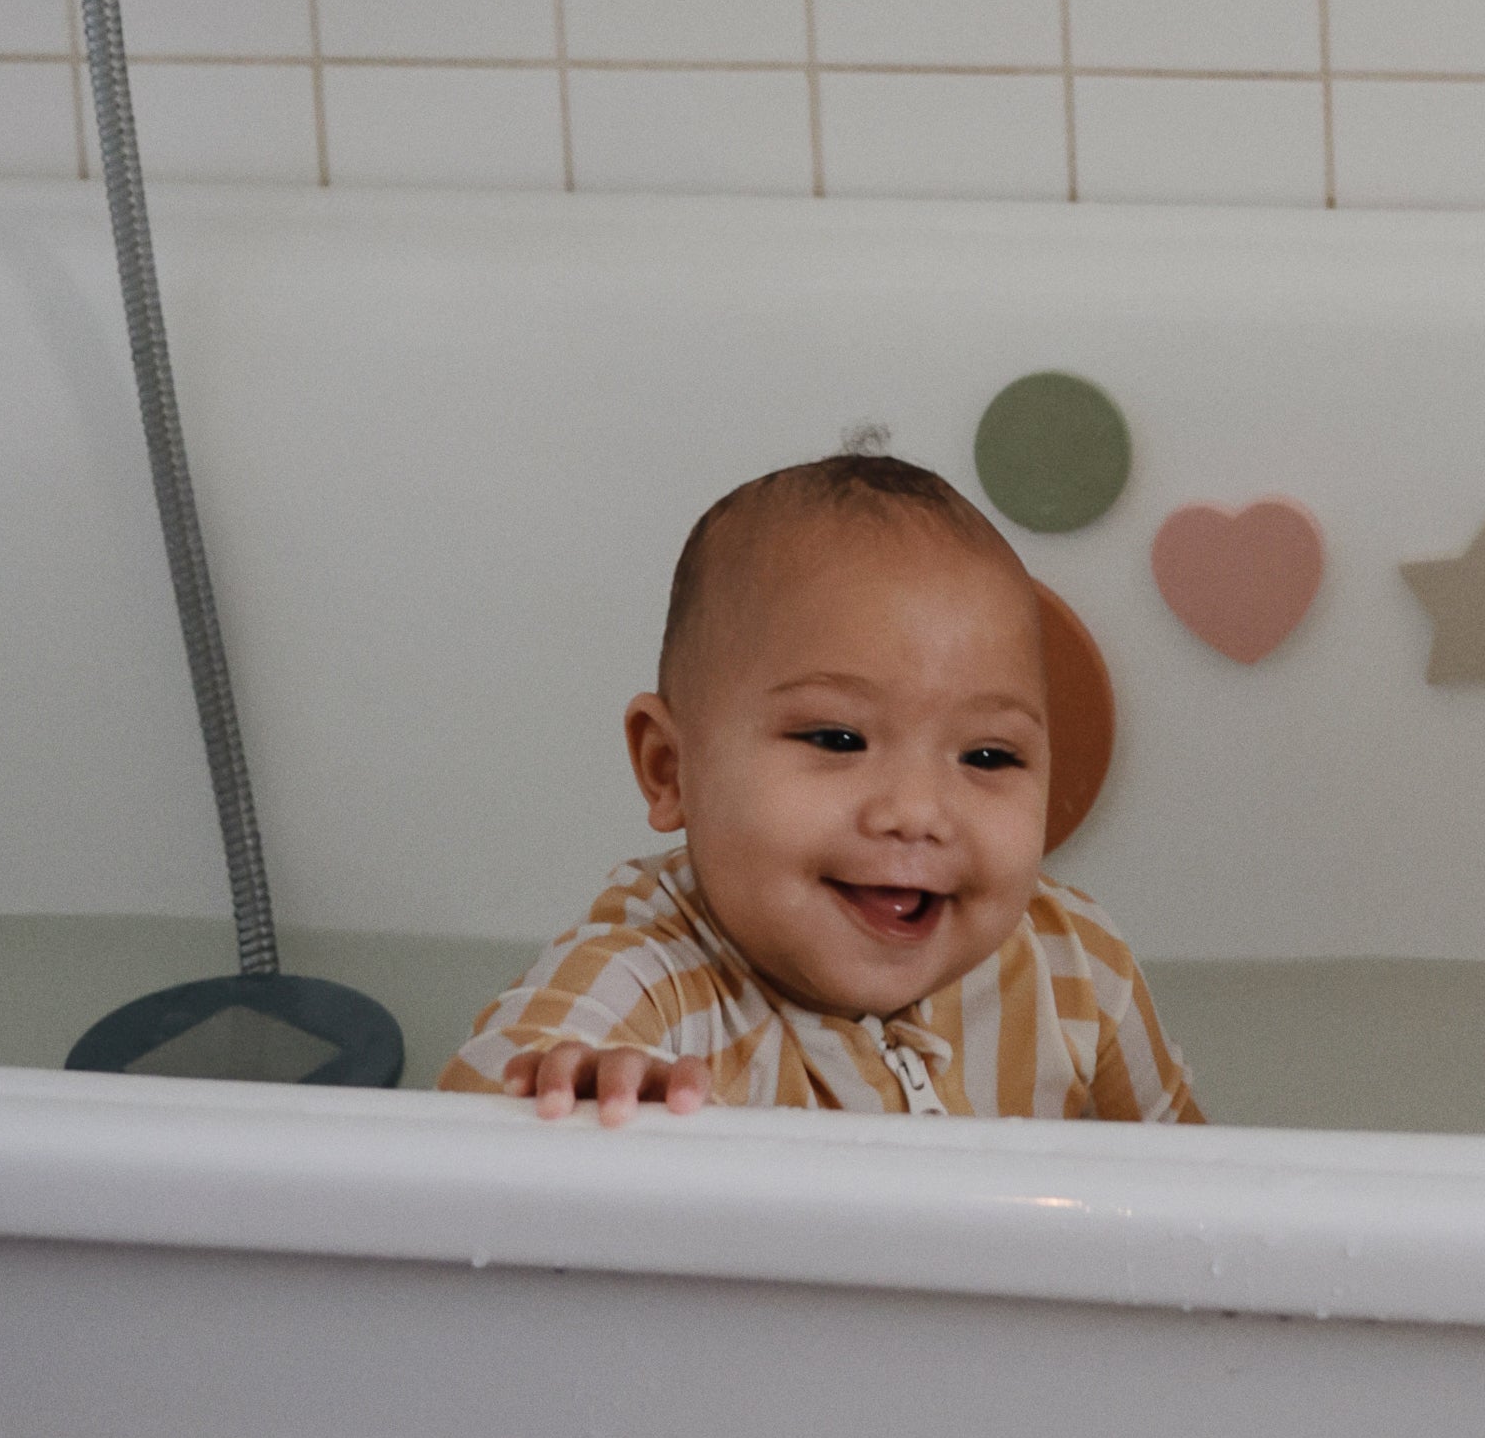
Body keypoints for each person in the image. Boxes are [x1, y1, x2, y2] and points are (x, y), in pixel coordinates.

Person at [440, 435, 1200, 1125]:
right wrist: (579, 1088)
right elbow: (475, 1110)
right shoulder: (655, 979)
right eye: (839, 739)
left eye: (988, 757)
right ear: (671, 769)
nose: (917, 813)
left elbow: (1207, 1196)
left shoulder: (1076, 966)